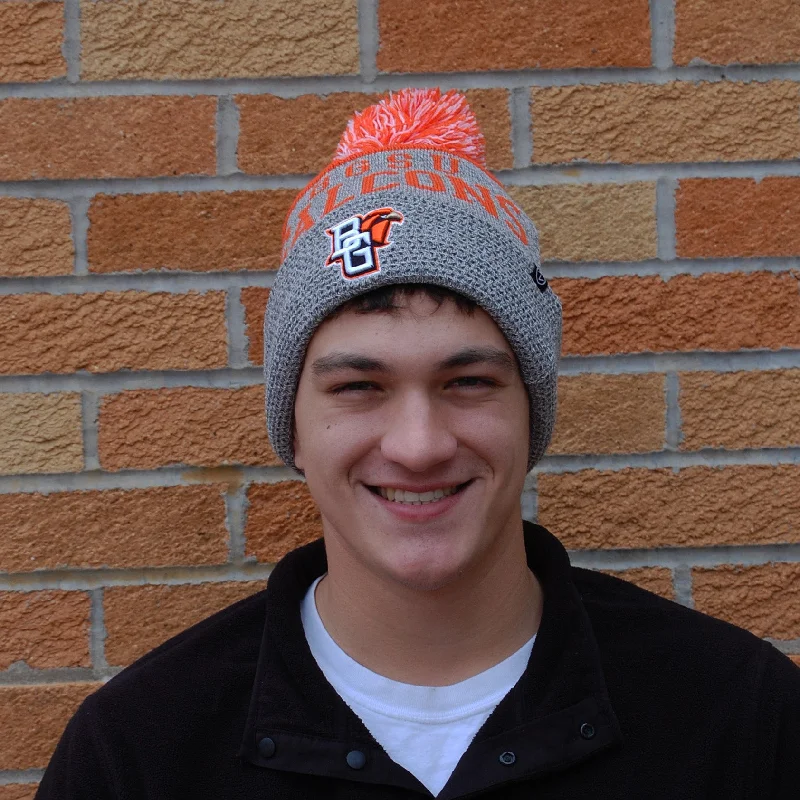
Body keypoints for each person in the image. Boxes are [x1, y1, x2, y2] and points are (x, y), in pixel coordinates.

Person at [37, 89, 800, 799]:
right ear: (293, 429)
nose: (419, 445)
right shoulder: (137, 753)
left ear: (529, 414)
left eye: (467, 381)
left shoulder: (739, 717)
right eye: (358, 387)